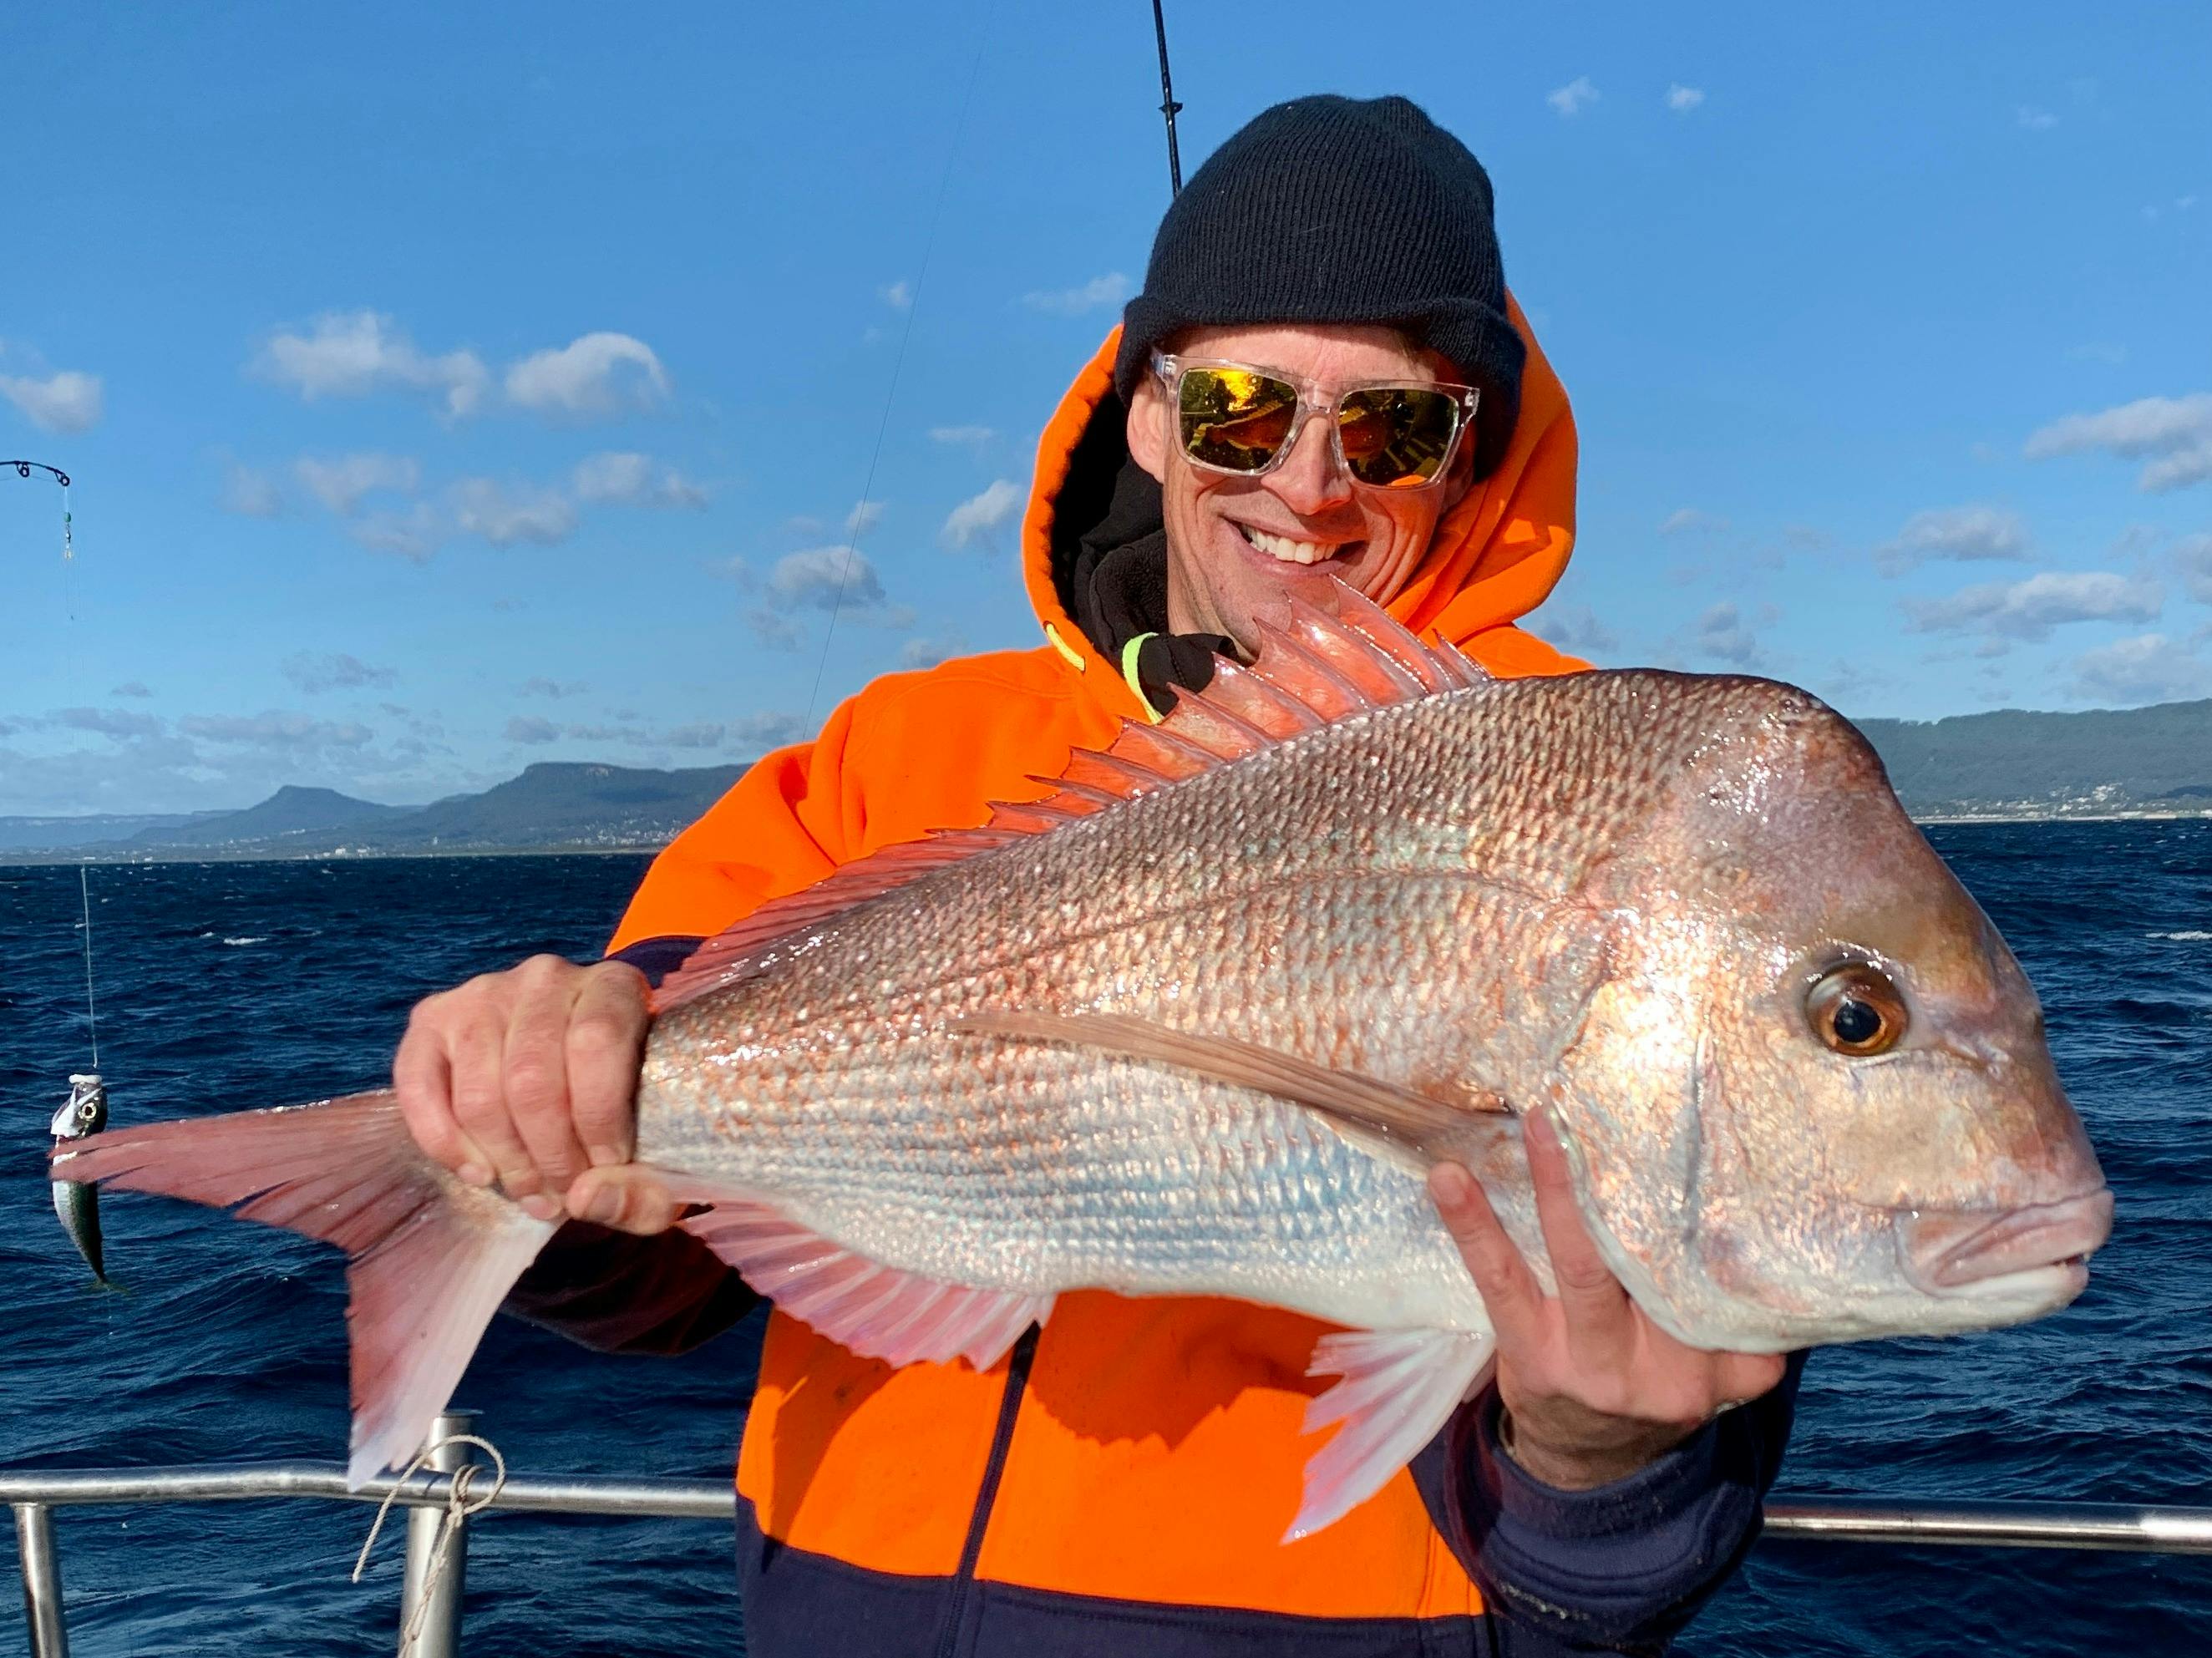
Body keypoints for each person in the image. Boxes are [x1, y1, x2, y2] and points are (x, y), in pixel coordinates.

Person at [393, 95, 1799, 1656]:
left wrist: (1604, 1461)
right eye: (1240, 409)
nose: (1312, 481)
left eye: (1392, 423)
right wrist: (539, 1111)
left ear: (1469, 454)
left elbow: (1591, 1584)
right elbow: (661, 1274)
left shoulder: (1609, 790)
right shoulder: (896, 750)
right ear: (1144, 413)